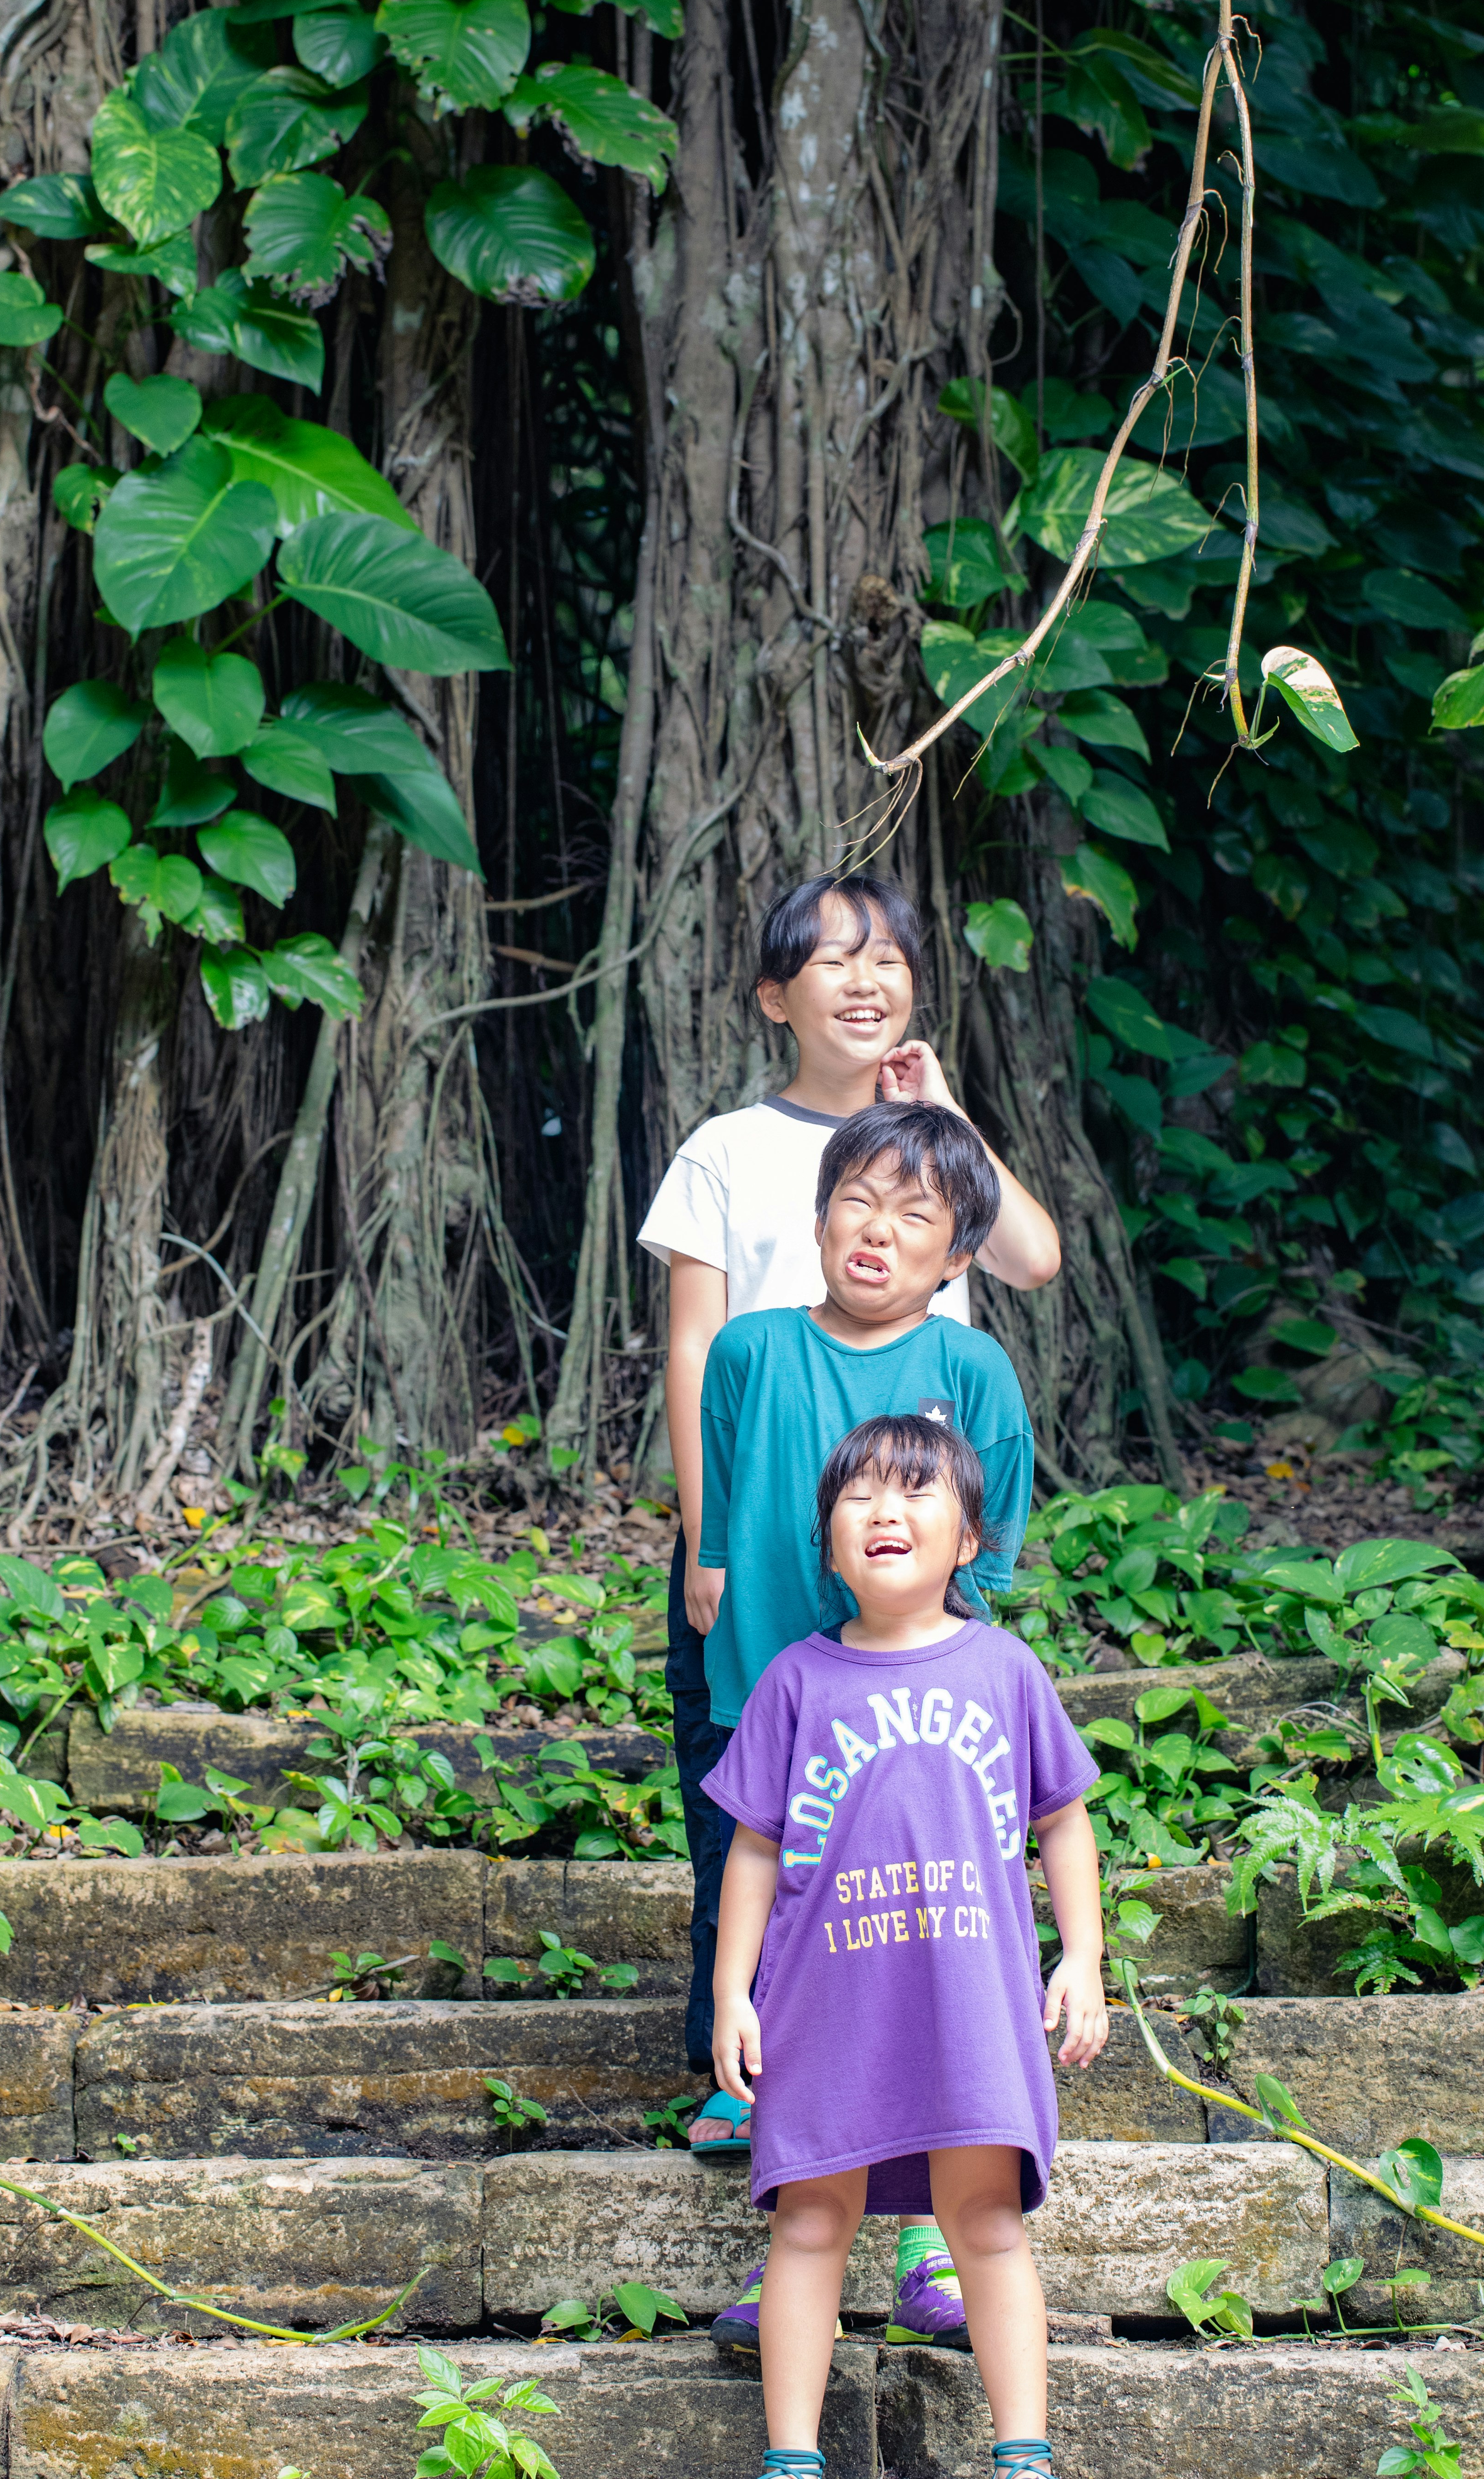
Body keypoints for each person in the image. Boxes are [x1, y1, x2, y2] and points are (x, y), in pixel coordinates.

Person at [636, 871, 1059, 2074]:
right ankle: (735, 2060)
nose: (866, 980)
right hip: (762, 1525)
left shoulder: (938, 1149)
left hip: (910, 1540)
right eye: (833, 960)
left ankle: (905, 2048)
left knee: (903, 1790)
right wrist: (705, 1534)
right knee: (749, 1792)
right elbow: (695, 1344)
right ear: (777, 998)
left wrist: (947, 1109)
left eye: (887, 958)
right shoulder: (727, 1150)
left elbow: (1032, 1258)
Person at [690, 1098, 1038, 2354]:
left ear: (955, 1257)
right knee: (797, 1972)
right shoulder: (750, 1348)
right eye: (859, 1202)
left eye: (915, 1217)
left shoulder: (969, 1371)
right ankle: (799, 2254)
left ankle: (929, 2247)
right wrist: (715, 1567)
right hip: (782, 1695)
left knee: (925, 1971)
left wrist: (956, 1645)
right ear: (819, 1210)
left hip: (924, 1731)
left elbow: (994, 1539)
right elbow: (724, 1495)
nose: (878, 1234)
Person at [702, 1415, 1107, 2479]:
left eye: (918, 1491)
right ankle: (792, 2458)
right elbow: (753, 1848)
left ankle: (1024, 2453)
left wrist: (1083, 1960)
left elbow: (1064, 1817)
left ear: (969, 1540)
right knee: (807, 2222)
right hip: (826, 2008)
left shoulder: (1006, 1669)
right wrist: (731, 1995)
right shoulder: (797, 1680)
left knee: (987, 2219)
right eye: (861, 1495)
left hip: (969, 2002)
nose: (888, 1510)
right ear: (828, 1543)